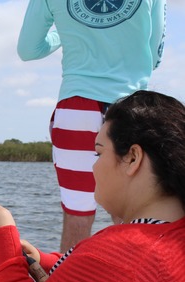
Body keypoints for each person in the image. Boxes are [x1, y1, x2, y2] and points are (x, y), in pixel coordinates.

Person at [0, 90, 185, 282]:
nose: (93, 167)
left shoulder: (118, 261)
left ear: (132, 158)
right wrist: (46, 262)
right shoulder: (168, 241)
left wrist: (3, 246)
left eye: (98, 154)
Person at [17, 0, 167, 252]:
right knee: (131, 218)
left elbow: (28, 50)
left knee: (78, 214)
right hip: (133, 110)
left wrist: (63, 34)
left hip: (76, 110)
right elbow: (154, 56)